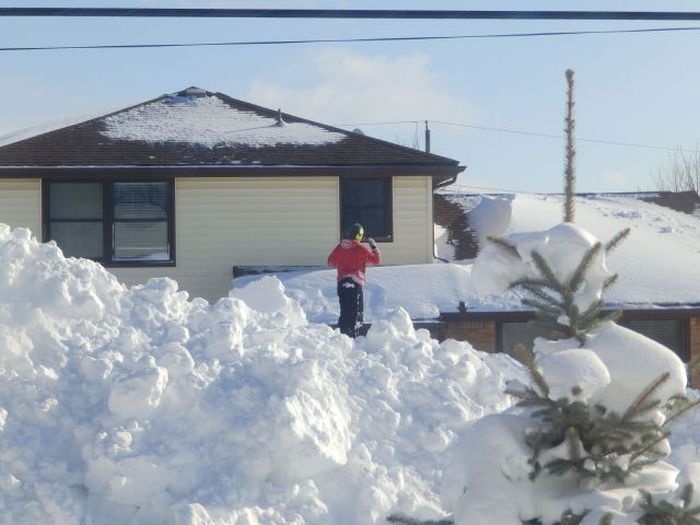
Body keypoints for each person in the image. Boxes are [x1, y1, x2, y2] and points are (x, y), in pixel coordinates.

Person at [327, 223, 381, 338]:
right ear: (358, 235)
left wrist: (343, 261)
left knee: (344, 311)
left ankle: (342, 337)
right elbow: (376, 260)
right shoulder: (360, 248)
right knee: (356, 313)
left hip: (341, 284)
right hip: (354, 283)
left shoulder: (340, 247)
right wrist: (374, 247)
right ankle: (353, 338)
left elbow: (330, 261)